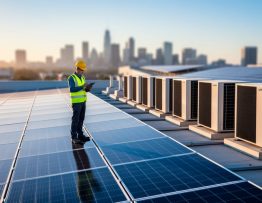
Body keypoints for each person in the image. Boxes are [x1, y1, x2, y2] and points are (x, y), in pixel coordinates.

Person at [68, 60, 90, 144]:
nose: (83, 71)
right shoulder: (72, 78)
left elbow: (83, 89)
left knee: (81, 119)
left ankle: (80, 135)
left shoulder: (83, 77)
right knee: (75, 120)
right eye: (81, 69)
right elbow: (72, 89)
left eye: (83, 70)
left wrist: (87, 89)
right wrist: (82, 86)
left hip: (83, 101)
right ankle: (74, 137)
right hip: (76, 103)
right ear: (77, 68)